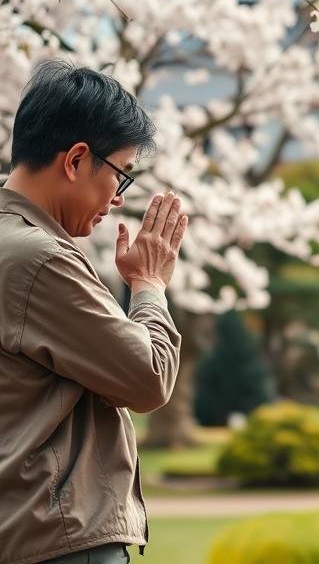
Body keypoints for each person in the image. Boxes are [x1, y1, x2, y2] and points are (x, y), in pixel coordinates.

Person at [0, 61, 189, 564]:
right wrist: (149, 286)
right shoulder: (40, 258)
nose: (118, 200)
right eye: (120, 174)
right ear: (77, 159)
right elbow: (147, 379)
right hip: (54, 539)